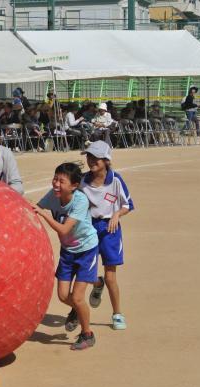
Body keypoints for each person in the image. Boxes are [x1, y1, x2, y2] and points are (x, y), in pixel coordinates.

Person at [32, 162, 99, 350]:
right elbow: (35, 208)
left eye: (61, 181)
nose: (56, 184)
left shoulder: (80, 200)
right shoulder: (54, 195)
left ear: (74, 185)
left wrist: (45, 216)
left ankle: (87, 334)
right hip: (68, 252)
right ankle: (81, 306)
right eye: (55, 179)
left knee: (77, 298)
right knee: (63, 296)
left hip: (86, 250)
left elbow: (63, 229)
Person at [78, 141, 134, 331]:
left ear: (106, 160)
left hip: (110, 230)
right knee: (87, 274)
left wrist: (117, 214)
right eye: (89, 157)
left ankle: (117, 313)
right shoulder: (82, 181)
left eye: (95, 158)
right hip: (88, 229)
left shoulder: (115, 180)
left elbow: (127, 205)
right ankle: (97, 284)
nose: (91, 161)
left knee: (111, 277)